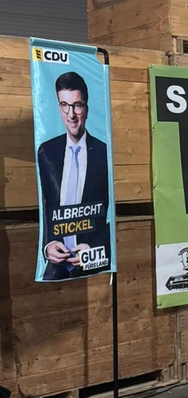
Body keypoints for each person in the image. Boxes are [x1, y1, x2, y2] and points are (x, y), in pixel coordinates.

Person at [37, 71, 111, 280]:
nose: (71, 115)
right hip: (55, 268)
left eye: (77, 105)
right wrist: (48, 245)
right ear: (59, 107)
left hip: (94, 265)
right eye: (64, 105)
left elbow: (117, 213)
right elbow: (45, 207)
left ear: (86, 109)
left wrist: (94, 247)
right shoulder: (46, 152)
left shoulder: (105, 153)